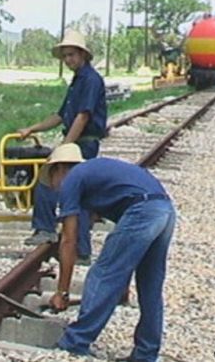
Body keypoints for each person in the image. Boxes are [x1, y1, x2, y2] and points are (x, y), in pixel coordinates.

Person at [41, 144, 176, 362]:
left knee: (103, 274)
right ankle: (146, 354)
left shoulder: (72, 180)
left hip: (143, 211)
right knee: (150, 285)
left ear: (60, 169)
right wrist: (121, 284)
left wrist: (62, 292)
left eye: (52, 178)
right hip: (165, 209)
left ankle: (75, 342)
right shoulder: (93, 175)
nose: (54, 187)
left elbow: (68, 240)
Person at [19, 29, 107, 264]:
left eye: (71, 55)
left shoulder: (90, 79)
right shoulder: (78, 80)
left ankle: (54, 234)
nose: (68, 60)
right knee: (73, 192)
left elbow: (83, 116)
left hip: (83, 144)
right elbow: (61, 116)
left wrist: (65, 148)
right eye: (65, 56)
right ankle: (74, 245)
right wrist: (32, 129)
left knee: (53, 183)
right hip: (77, 142)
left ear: (82, 55)